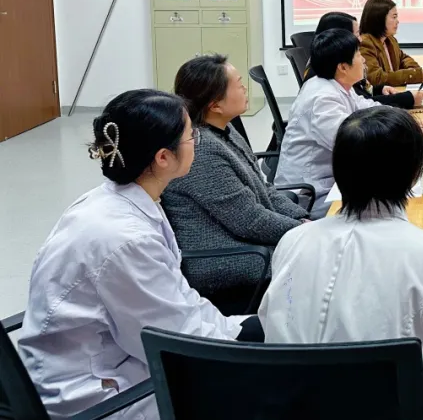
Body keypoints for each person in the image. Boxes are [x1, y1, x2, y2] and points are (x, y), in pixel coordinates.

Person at [18, 90, 259, 420]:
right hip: (98, 394)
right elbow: (173, 340)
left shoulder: (118, 201)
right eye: (191, 136)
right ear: (163, 157)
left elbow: (176, 301)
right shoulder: (124, 239)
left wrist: (236, 327)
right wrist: (251, 346)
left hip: (115, 356)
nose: (197, 143)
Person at [260, 107, 423, 420]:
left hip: (294, 409)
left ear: (338, 170)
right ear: (415, 173)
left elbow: (273, 332)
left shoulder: (292, 243)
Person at [162, 55, 309, 313]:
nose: (244, 88)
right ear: (215, 104)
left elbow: (265, 191)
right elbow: (249, 220)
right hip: (232, 259)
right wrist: (305, 233)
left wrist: (302, 220)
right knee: (324, 264)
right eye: (238, 84)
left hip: (250, 242)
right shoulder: (202, 150)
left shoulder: (225, 130)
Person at [275, 28, 380, 216]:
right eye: (358, 55)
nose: (363, 60)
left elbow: (368, 107)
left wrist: (402, 118)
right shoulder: (322, 98)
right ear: (343, 67)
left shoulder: (336, 85)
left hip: (330, 182)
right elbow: (350, 145)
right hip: (310, 196)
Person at [315, 10, 419, 109]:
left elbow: (362, 103)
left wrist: (379, 89)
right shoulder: (326, 94)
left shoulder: (336, 70)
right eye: (356, 34)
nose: (360, 39)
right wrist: (407, 98)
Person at [359, 0, 423, 89]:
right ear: (379, 19)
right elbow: (376, 78)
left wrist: (415, 70)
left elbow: (403, 59)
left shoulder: (390, 39)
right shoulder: (365, 43)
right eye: (394, 17)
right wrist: (415, 75)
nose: (397, 21)